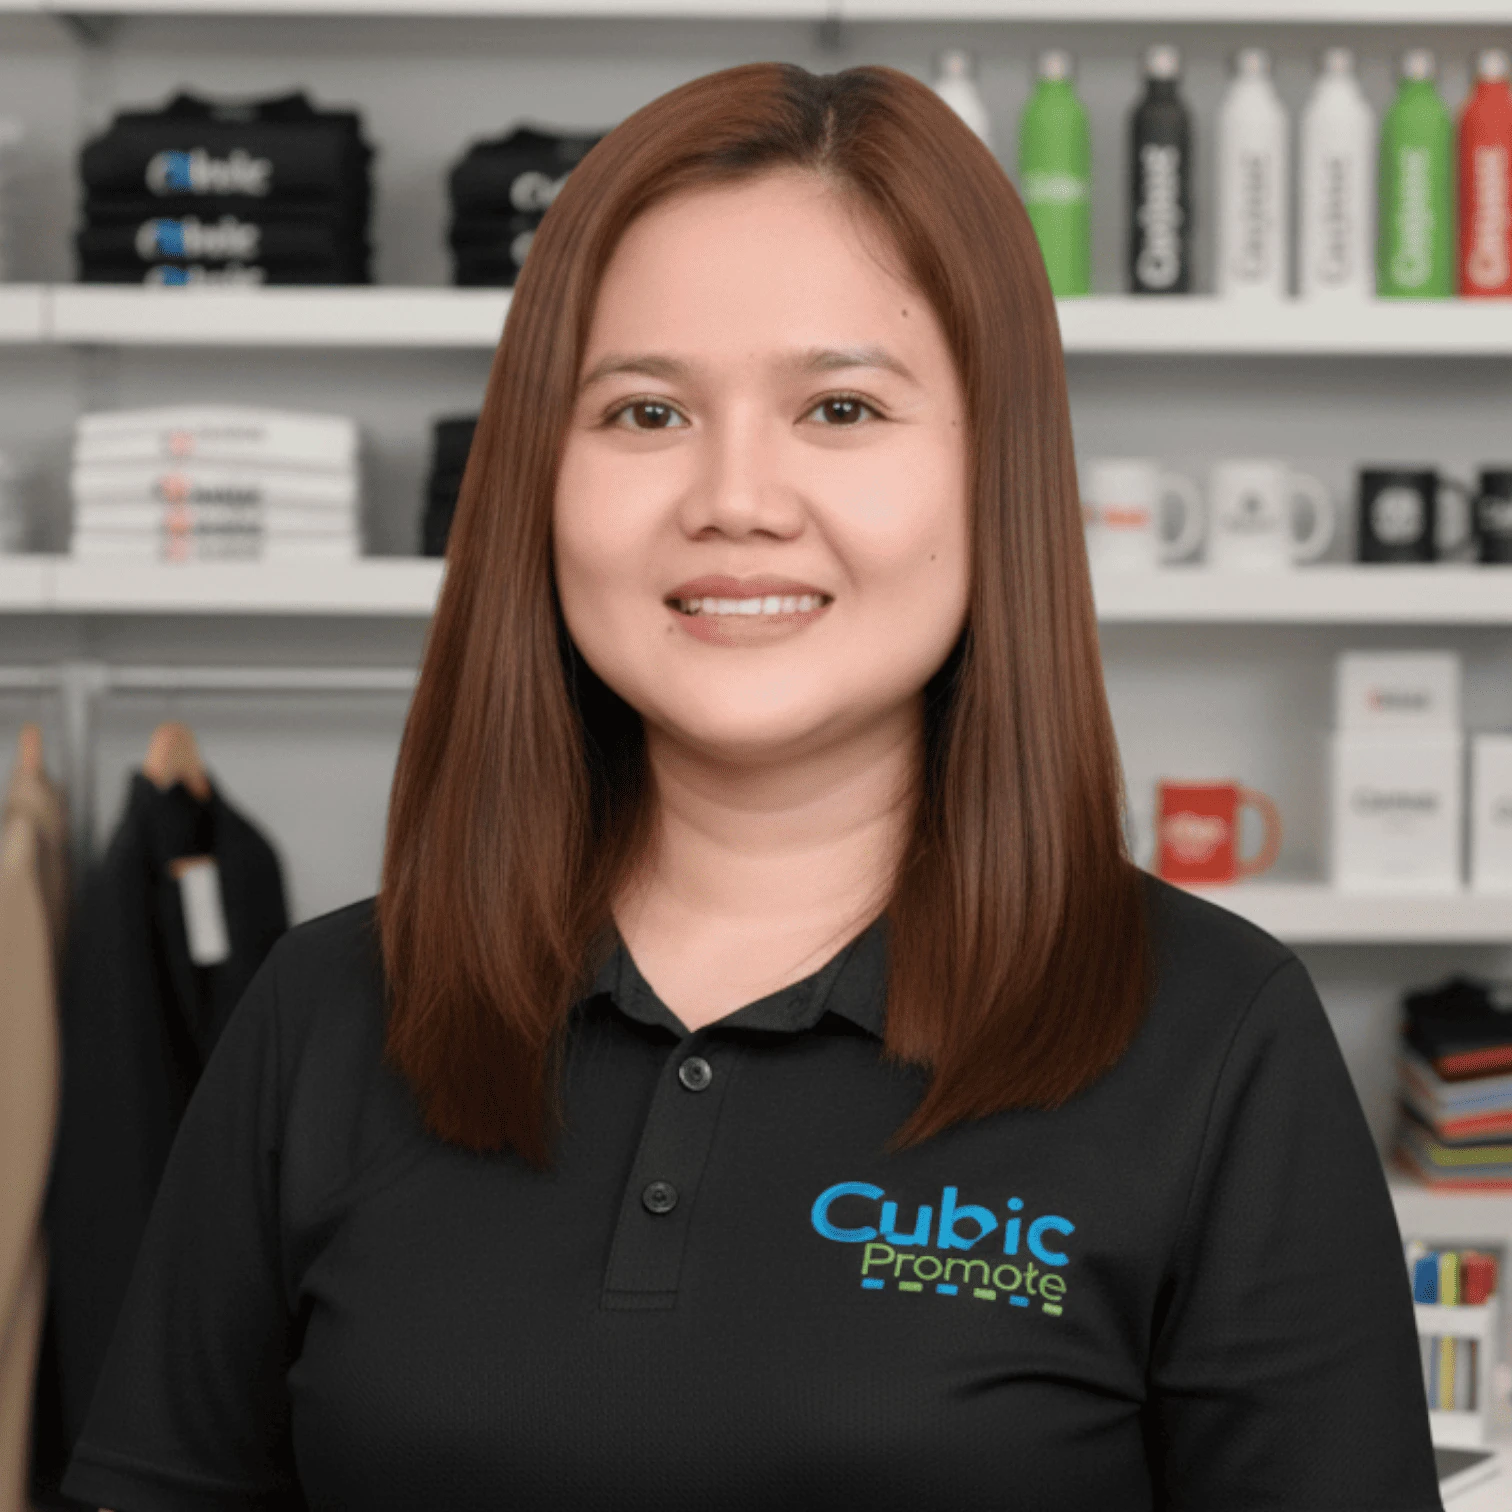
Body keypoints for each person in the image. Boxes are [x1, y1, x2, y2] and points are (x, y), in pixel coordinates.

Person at [61, 61, 1442, 1512]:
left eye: (840, 409)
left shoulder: (1216, 1041)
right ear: (541, 477)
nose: (733, 496)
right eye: (645, 414)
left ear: (995, 473)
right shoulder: (326, 1016)